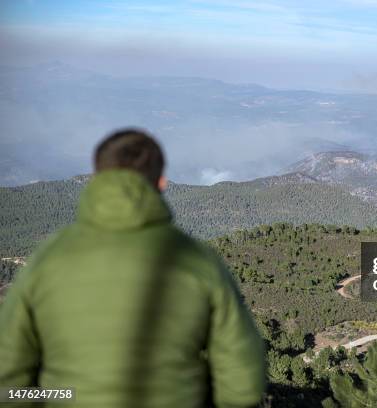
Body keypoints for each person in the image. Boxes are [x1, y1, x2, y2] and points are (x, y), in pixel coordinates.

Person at [0, 129, 266, 407]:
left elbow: (9, 381)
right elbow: (243, 386)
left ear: (96, 178)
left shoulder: (48, 259)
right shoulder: (198, 261)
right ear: (162, 183)